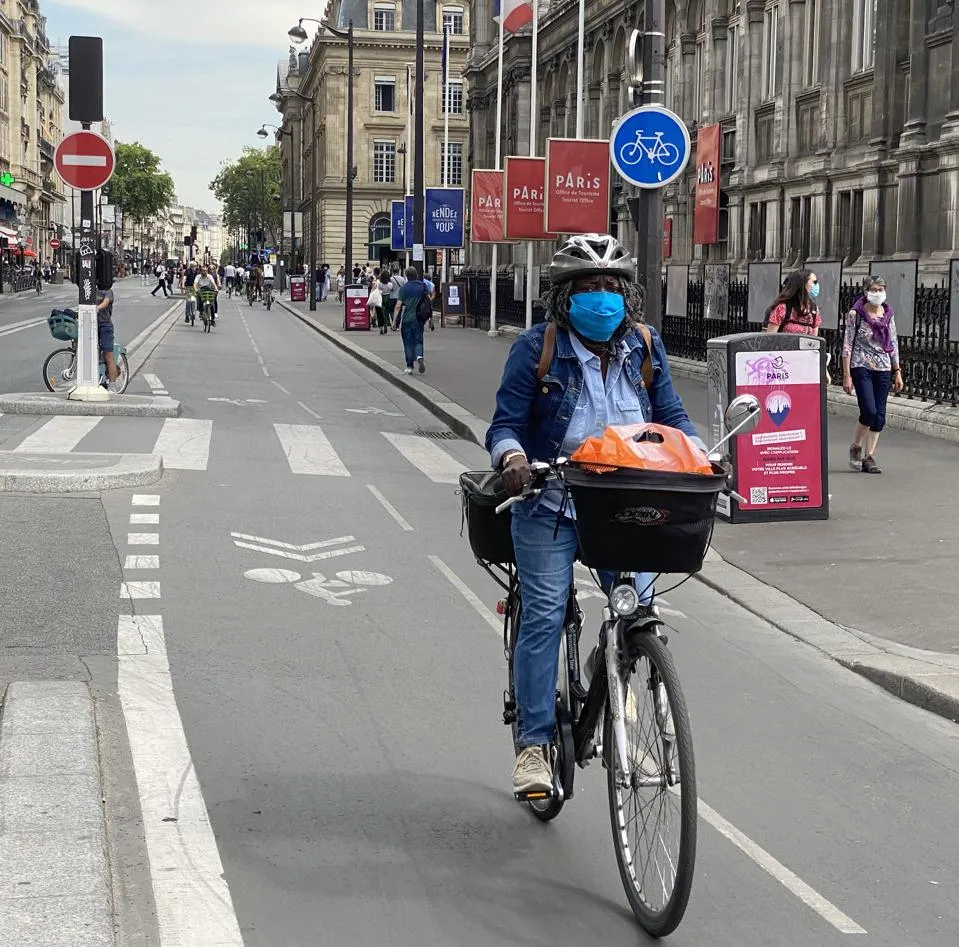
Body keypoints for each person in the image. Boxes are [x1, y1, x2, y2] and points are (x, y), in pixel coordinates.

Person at [485, 233, 704, 795]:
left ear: (627, 296)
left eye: (612, 287)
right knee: (543, 615)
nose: (602, 298)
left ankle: (622, 704)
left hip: (625, 506)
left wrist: (701, 456)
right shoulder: (538, 348)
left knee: (638, 615)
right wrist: (512, 458)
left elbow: (673, 418)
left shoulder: (644, 348)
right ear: (566, 297)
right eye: (589, 288)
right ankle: (534, 747)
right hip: (550, 502)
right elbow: (505, 424)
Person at [842, 275, 903, 475]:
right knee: (868, 410)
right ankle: (856, 446)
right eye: (874, 289)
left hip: (884, 367)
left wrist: (897, 371)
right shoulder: (855, 314)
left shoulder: (888, 314)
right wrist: (846, 375)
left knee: (879, 416)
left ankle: (869, 456)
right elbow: (847, 345)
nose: (878, 293)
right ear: (866, 291)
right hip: (862, 365)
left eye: (881, 289)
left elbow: (892, 343)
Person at [392, 266, 429, 374]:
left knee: (408, 342)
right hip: (419, 319)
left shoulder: (404, 289)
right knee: (418, 340)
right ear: (416, 275)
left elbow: (398, 306)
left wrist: (394, 321)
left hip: (407, 319)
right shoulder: (422, 286)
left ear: (407, 276)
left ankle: (409, 366)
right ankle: (419, 356)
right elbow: (428, 300)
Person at [763, 269, 821, 335]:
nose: (817, 285)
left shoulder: (814, 309)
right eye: (814, 282)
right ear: (802, 284)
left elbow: (814, 340)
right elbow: (770, 338)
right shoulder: (782, 308)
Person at [96, 284, 118, 388]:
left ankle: (112, 385)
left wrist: (97, 308)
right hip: (91, 325)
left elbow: (106, 302)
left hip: (105, 325)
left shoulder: (107, 291)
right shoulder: (89, 288)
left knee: (108, 354)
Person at [377, 270, 393, 335]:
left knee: (380, 313)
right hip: (388, 297)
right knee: (386, 313)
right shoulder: (390, 284)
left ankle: (381, 327)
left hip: (381, 297)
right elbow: (391, 289)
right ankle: (386, 324)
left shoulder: (379, 283)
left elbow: (378, 289)